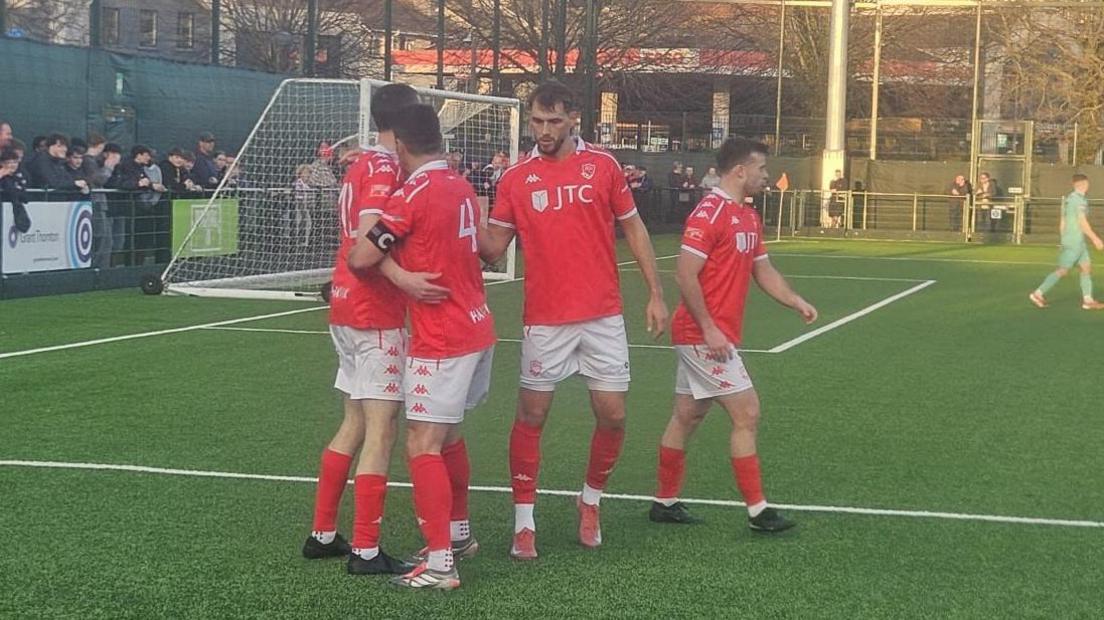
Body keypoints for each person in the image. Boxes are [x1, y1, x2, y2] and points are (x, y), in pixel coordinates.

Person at [478, 80, 669, 559]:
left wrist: (655, 294)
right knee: (532, 415)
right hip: (545, 319)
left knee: (614, 415)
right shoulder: (516, 178)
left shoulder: (602, 167)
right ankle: (525, 523)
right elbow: (491, 250)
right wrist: (453, 218)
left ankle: (590, 500)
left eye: (553, 122)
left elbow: (635, 228)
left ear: (573, 119)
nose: (543, 130)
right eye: (537, 122)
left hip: (602, 315)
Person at [302, 83, 450, 577]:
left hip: (346, 306)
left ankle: (323, 533)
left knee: (355, 422)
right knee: (382, 430)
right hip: (372, 313)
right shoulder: (387, 166)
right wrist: (403, 277)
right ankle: (366, 549)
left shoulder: (361, 163)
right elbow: (367, 240)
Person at [348, 103, 496, 591]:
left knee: (422, 443)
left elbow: (360, 256)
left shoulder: (411, 193)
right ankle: (458, 536)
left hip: (442, 335)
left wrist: (401, 277)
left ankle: (439, 564)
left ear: (402, 145)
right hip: (477, 325)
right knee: (449, 437)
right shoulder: (461, 185)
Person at [650, 137, 817, 530]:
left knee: (687, 415)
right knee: (748, 412)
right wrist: (708, 329)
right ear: (740, 171)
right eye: (761, 169)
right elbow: (684, 273)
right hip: (701, 334)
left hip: (712, 333)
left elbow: (764, 270)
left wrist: (794, 300)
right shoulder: (709, 213)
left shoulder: (747, 216)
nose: (766, 175)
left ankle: (664, 501)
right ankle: (758, 510)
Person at [1029, 174, 1104, 311]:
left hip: (1075, 241)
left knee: (1086, 267)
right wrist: (1095, 238)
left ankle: (1088, 300)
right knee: (1063, 270)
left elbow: (1062, 221)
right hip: (1075, 241)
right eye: (1087, 183)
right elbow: (1082, 222)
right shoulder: (1079, 201)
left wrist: (1063, 239)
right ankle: (1037, 293)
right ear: (1084, 184)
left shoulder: (1069, 199)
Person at [0, 147, 31, 233]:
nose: (13, 165)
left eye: (15, 162)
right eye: (9, 162)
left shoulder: (20, 176)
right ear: (2, 163)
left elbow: (24, 196)